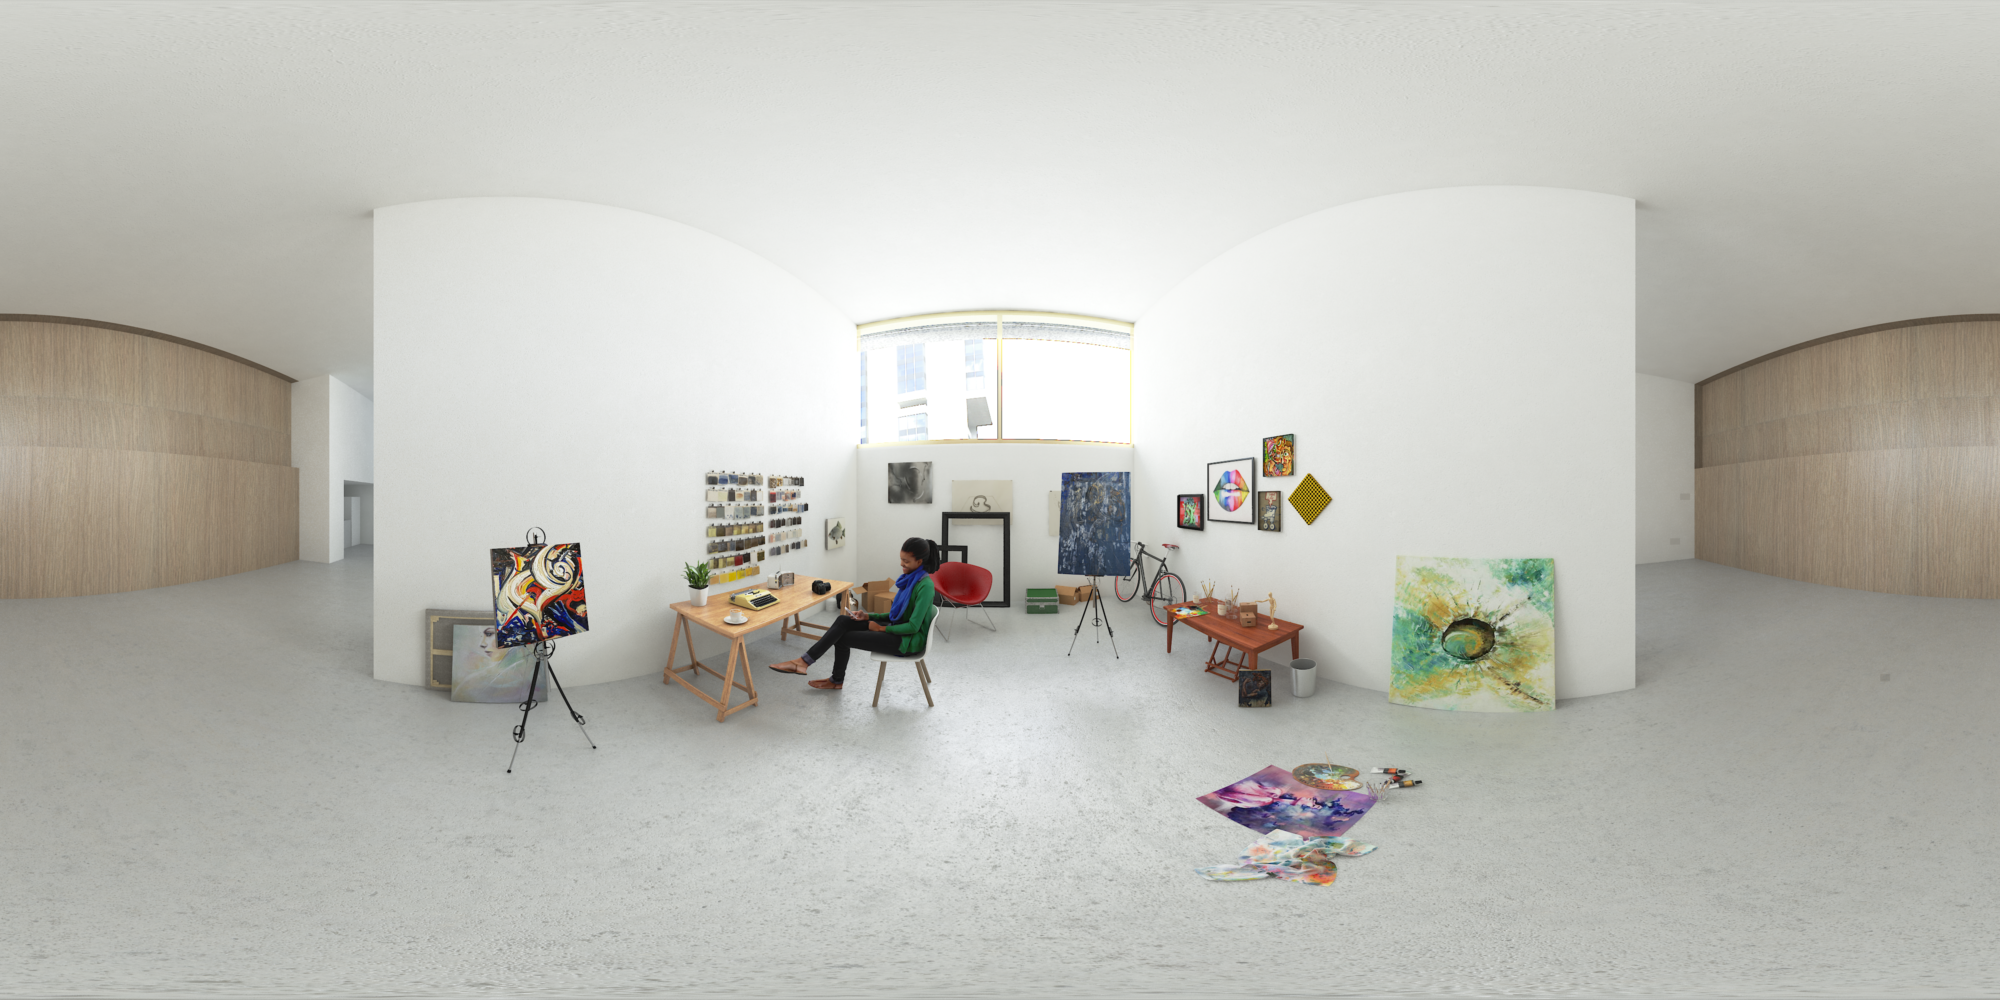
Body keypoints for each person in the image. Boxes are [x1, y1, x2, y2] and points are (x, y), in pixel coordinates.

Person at [768, 536, 938, 690]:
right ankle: (804, 662)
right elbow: (898, 615)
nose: (902, 564)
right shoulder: (910, 579)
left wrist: (880, 629)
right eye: (901, 560)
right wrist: (868, 616)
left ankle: (834, 680)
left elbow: (913, 626)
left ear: (919, 561)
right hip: (897, 628)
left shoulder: (925, 586)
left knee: (842, 638)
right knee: (843, 620)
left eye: (906, 561)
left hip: (907, 642)